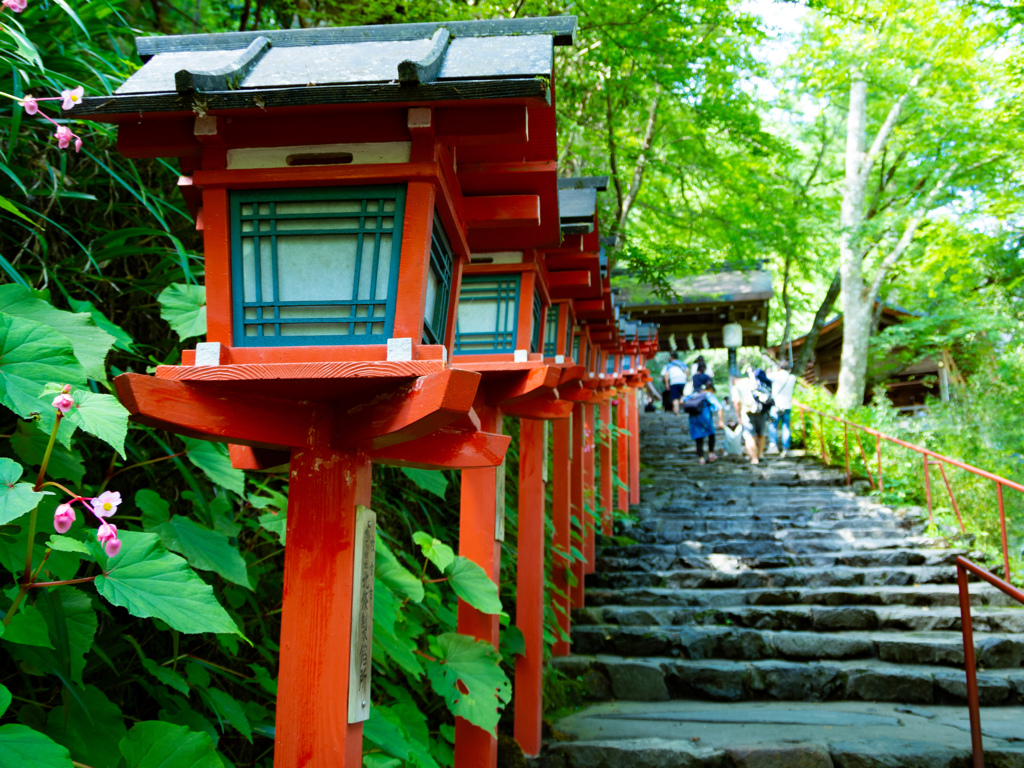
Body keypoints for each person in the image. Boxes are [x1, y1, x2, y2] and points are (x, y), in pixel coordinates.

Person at [731, 368, 769, 465]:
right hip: (761, 410)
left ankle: (754, 459)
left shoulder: (737, 386)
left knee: (749, 436)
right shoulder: (755, 382)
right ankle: (761, 454)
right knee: (761, 433)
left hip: (747, 412)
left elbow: (737, 401)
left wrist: (738, 416)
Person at [685, 383, 725, 464]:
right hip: (705, 418)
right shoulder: (708, 395)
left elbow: (683, 401)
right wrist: (721, 420)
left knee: (698, 439)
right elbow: (719, 407)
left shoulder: (694, 394)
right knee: (711, 435)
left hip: (693, 419)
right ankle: (711, 454)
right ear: (711, 389)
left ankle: (701, 458)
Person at [771, 360, 798, 458]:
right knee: (786, 426)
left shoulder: (775, 375)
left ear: (779, 368)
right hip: (787, 406)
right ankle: (786, 448)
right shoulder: (792, 377)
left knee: (773, 425)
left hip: (775, 406)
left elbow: (766, 376)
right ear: (789, 369)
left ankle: (773, 445)